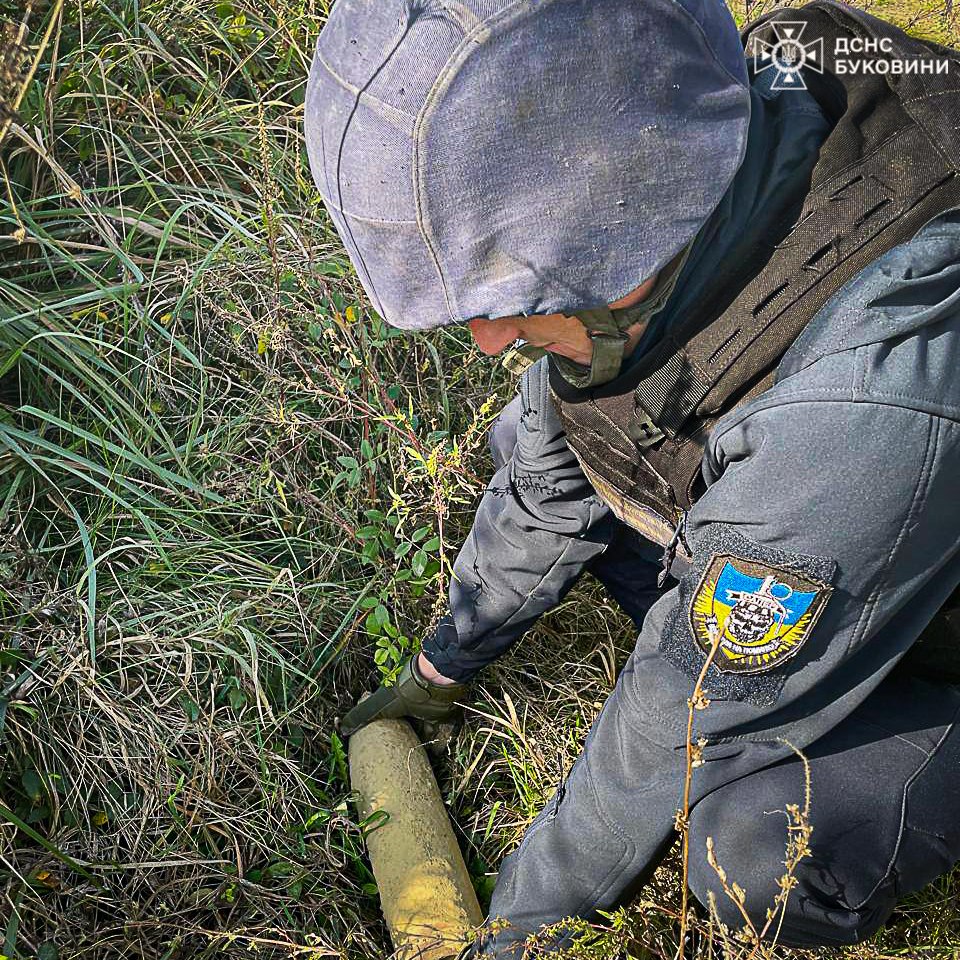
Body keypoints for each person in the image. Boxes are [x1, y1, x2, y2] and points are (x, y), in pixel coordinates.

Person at [304, 0, 960, 954]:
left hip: (910, 576)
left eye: (517, 292)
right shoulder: (676, 172)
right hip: (838, 513)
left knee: (753, 849)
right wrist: (443, 667)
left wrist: (523, 926)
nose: (487, 337)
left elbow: (683, 706)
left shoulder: (858, 406)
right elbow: (554, 459)